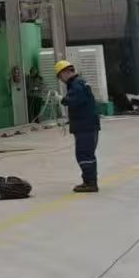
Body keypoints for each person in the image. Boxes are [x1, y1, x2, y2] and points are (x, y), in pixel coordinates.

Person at [55, 60, 99, 192]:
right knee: (86, 154)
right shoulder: (79, 82)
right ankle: (88, 181)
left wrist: (61, 99)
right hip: (87, 124)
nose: (61, 80)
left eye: (60, 77)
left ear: (65, 72)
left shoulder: (77, 84)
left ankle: (90, 183)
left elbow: (73, 100)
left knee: (84, 154)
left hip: (85, 126)